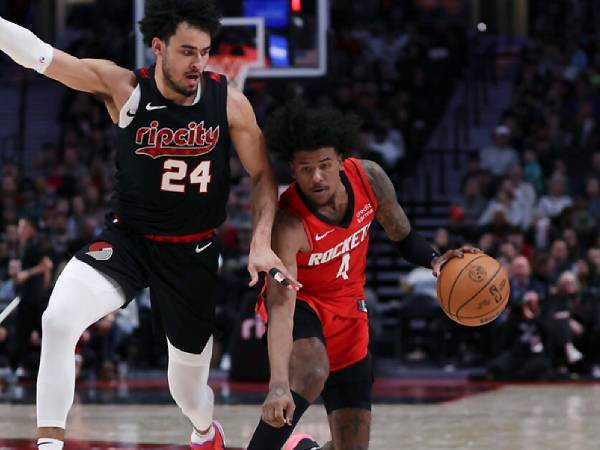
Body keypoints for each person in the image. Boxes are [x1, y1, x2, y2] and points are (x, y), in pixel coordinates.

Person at [0, 1, 300, 449]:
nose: (198, 62)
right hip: (129, 240)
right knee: (59, 319)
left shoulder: (228, 102)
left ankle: (205, 433)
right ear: (158, 47)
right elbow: (42, 56)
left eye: (204, 51)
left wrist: (260, 242)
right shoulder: (125, 88)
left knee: (188, 394)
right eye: (186, 51)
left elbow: (263, 176)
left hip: (193, 253)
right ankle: (49, 445)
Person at [246, 101, 477, 450]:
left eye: (325, 165)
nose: (317, 177)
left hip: (350, 312)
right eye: (305, 169)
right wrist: (278, 384)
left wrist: (434, 260)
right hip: (303, 304)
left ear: (341, 159)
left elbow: (403, 236)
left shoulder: (369, 178)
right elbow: (280, 305)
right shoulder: (288, 223)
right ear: (292, 170)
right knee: (311, 370)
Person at [10, 217, 54, 377]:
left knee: (32, 334)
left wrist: (26, 274)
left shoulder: (35, 243)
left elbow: (47, 265)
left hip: (35, 297)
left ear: (30, 228)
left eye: (22, 227)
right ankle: (17, 368)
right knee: (23, 334)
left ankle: (15, 368)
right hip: (29, 295)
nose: (19, 229)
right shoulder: (22, 246)